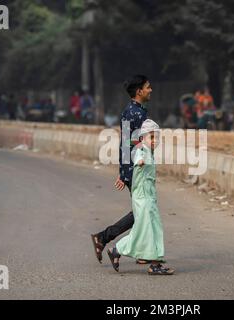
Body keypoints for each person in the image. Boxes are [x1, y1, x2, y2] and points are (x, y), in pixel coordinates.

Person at [91, 75, 152, 265]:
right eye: (148, 87)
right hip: (137, 170)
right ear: (139, 91)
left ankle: (140, 251)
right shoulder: (133, 113)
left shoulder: (138, 111)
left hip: (137, 168)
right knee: (143, 211)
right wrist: (126, 173)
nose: (151, 90)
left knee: (142, 211)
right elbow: (128, 144)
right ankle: (104, 238)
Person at [107, 119, 175, 275]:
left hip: (149, 197)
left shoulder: (149, 151)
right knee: (143, 230)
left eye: (157, 137)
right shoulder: (141, 151)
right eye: (151, 137)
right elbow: (137, 158)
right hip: (142, 198)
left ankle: (155, 262)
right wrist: (140, 162)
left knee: (153, 228)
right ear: (143, 138)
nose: (155, 140)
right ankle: (117, 250)